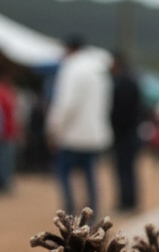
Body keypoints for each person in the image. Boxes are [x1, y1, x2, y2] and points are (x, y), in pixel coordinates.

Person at [46, 35, 112, 215]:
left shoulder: (71, 68)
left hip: (73, 134)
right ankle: (92, 211)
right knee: (90, 175)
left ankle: (69, 212)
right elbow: (106, 104)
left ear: (69, 49)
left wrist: (54, 128)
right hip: (95, 133)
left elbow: (66, 103)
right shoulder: (99, 69)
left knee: (64, 173)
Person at [110, 52, 142, 212]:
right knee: (127, 169)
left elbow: (121, 112)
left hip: (124, 134)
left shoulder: (123, 83)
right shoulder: (131, 81)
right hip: (129, 133)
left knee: (124, 169)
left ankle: (127, 202)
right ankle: (129, 201)